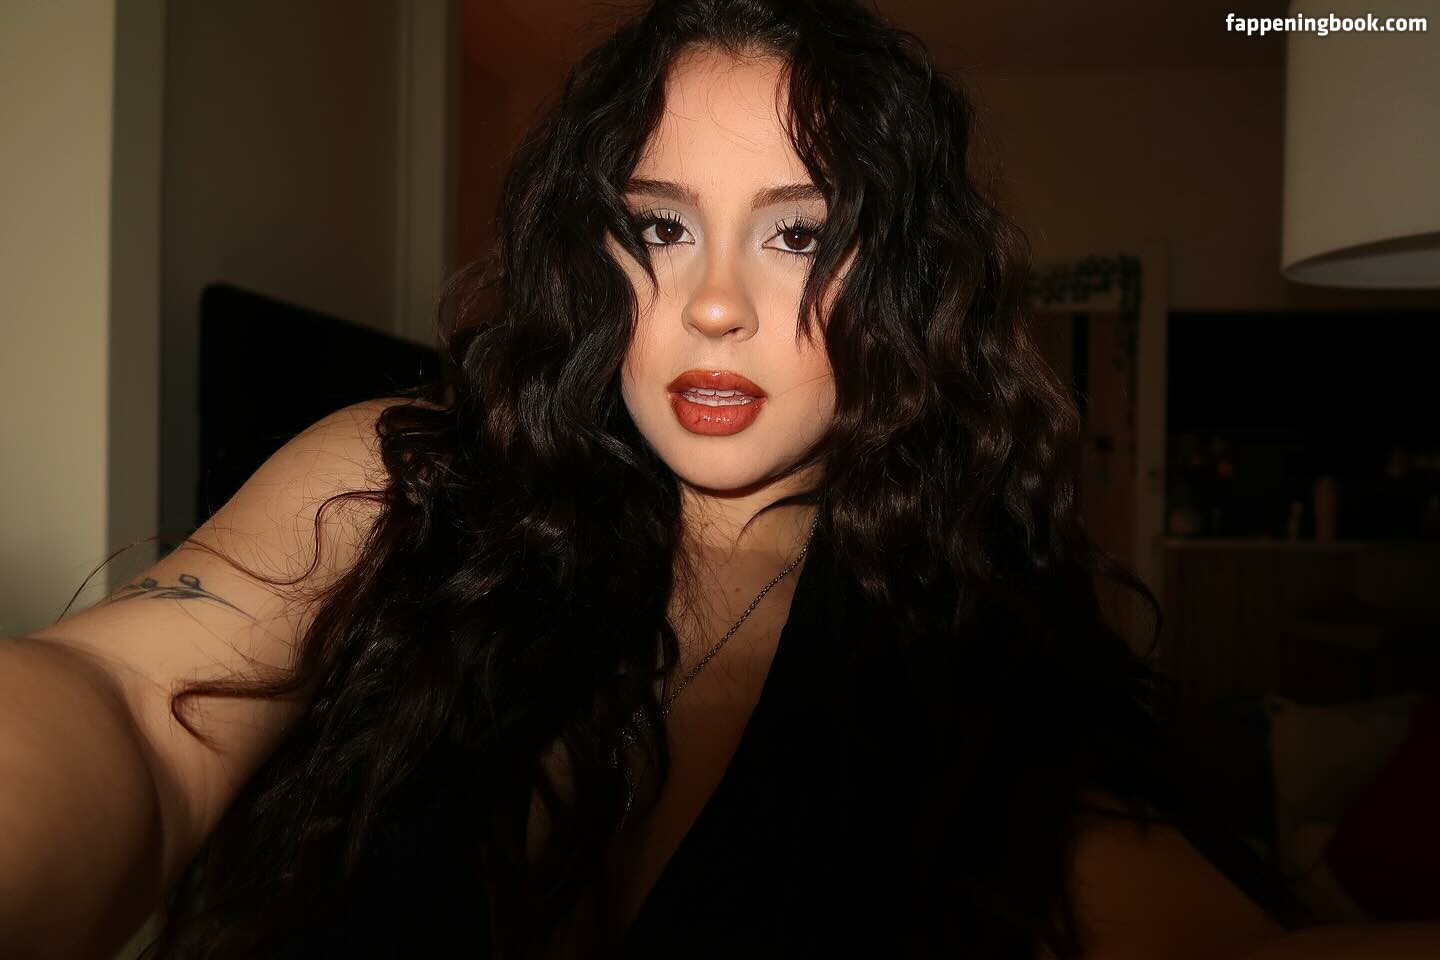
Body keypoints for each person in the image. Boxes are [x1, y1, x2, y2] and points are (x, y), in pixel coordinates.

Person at [3, 0, 1438, 957]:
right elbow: (128, 703)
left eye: (801, 236)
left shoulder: (957, 643)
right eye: (661, 228)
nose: (713, 307)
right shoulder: (403, 479)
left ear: (905, 286)